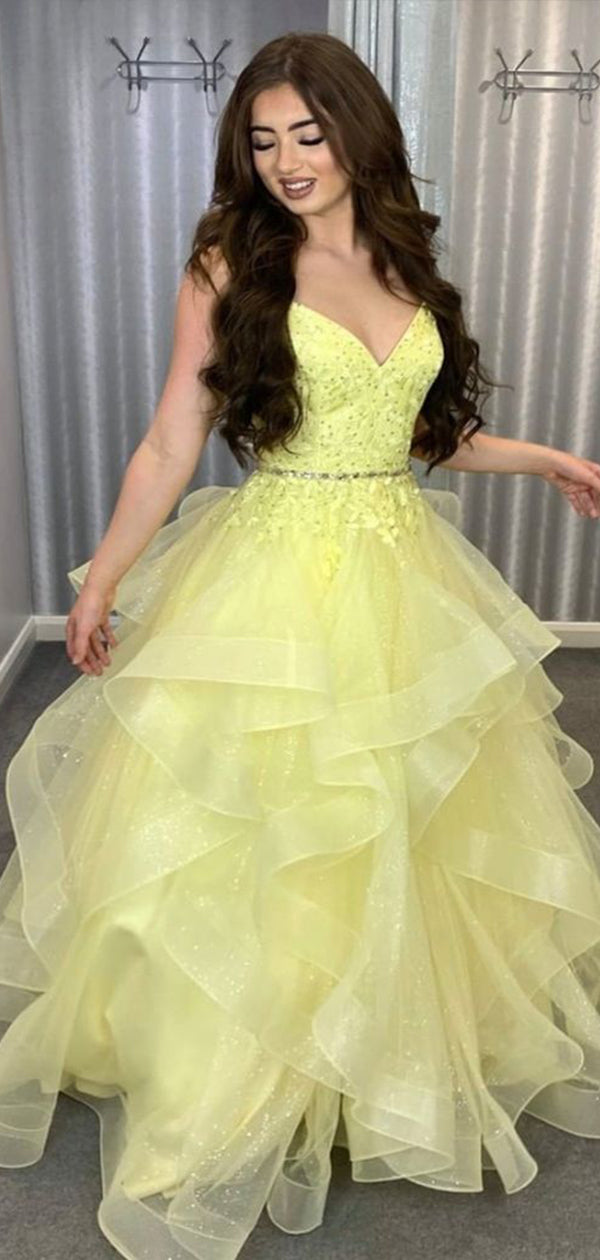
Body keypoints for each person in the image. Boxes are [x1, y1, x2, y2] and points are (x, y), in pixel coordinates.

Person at [1, 29, 600, 1260]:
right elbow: (173, 439)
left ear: (355, 132)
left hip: (402, 574)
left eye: (308, 136)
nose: (286, 161)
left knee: (408, 818)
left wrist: (546, 459)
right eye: (265, 141)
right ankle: (247, 1070)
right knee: (269, 827)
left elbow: (420, 434)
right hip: (273, 576)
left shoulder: (403, 256)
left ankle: (378, 1052)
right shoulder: (230, 262)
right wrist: (103, 578)